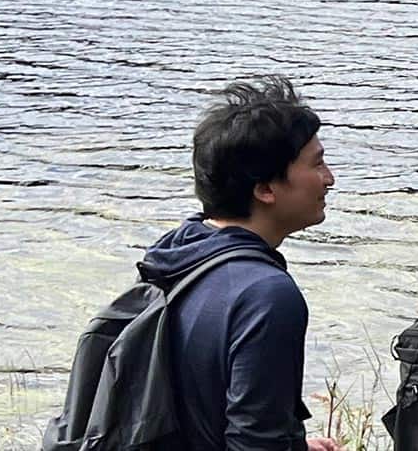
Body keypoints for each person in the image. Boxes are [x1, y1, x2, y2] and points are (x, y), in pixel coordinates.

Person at [140, 75, 343, 451]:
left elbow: (200, 408)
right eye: (317, 164)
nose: (329, 179)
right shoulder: (266, 296)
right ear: (265, 189)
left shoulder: (180, 253)